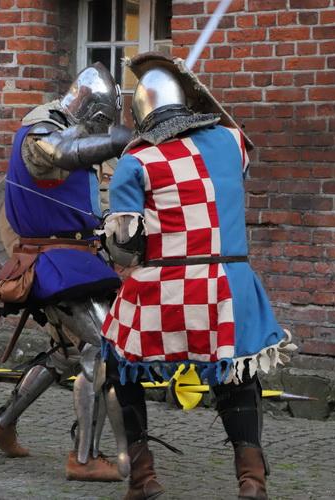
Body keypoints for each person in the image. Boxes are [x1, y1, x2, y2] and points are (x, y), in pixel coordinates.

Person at [100, 53, 296, 499]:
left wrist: (110, 237)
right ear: (187, 103)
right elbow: (234, 152)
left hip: (165, 288)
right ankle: (252, 480)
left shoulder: (136, 160)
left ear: (141, 115)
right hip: (229, 284)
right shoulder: (231, 140)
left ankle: (142, 478)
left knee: (118, 365)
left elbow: (127, 245)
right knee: (235, 372)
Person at [0, 63, 131, 482]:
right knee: (104, 347)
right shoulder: (42, 128)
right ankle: (85, 458)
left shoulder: (70, 130)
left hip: (75, 259)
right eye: (104, 123)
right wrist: (113, 142)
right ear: (93, 111)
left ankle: (2, 421)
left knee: (68, 351)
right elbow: (55, 152)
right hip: (56, 263)